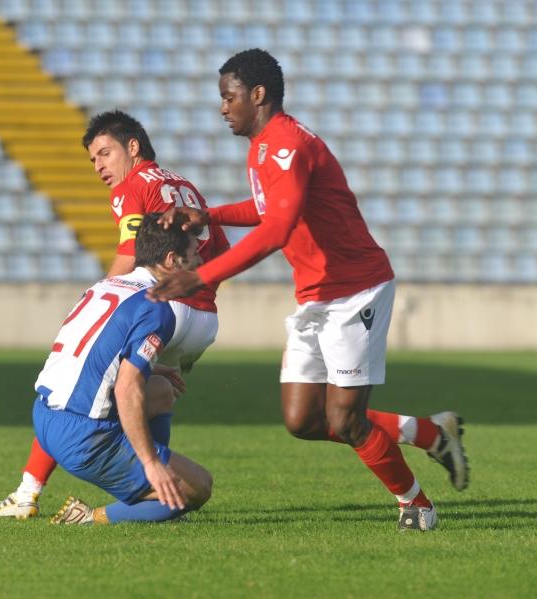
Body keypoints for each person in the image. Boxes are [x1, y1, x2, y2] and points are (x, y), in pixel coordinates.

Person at [149, 49, 469, 531]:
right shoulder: (263, 147)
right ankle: (431, 433)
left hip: (356, 290)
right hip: (317, 296)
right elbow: (270, 208)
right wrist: (209, 215)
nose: (222, 107)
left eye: (228, 97)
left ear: (257, 95)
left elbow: (277, 229)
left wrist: (201, 275)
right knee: (303, 420)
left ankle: (416, 505)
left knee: (346, 420)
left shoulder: (287, 145)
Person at [0, 111, 230, 519]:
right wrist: (202, 295)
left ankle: (32, 491)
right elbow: (221, 250)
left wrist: (102, 298)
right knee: (157, 391)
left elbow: (130, 253)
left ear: (133, 147)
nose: (99, 166)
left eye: (105, 153)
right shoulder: (183, 185)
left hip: (161, 298)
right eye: (93, 159)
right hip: (202, 314)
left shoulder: (131, 187)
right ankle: (152, 478)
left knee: (83, 375)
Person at [37, 213, 213, 525]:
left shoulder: (105, 286)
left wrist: (149, 372)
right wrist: (150, 462)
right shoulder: (157, 308)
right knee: (198, 487)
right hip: (85, 437)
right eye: (193, 254)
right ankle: (89, 517)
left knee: (161, 390)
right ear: (172, 260)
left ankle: (151, 490)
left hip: (44, 417)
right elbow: (126, 388)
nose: (200, 261)